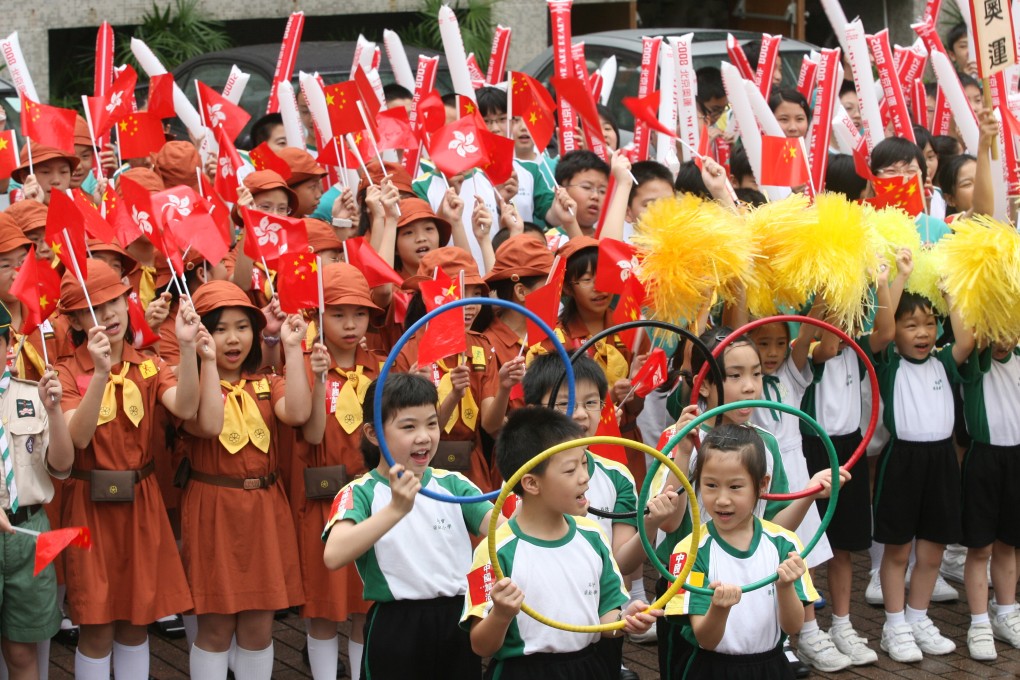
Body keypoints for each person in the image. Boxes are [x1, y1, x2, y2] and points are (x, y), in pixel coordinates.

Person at [57, 260, 201, 680]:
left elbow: (187, 408)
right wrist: (101, 373)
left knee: (137, 624)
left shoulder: (150, 365)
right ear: (77, 319)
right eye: (93, 308)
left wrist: (189, 349)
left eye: (113, 302)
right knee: (97, 627)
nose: (107, 315)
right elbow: (78, 438)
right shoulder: (67, 370)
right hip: (89, 507)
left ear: (127, 299)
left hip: (142, 503)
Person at [463, 406, 659, 680]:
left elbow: (607, 620)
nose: (584, 476)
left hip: (591, 667)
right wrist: (501, 615)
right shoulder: (493, 550)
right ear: (531, 483)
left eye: (583, 462)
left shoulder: (593, 536)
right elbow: (480, 644)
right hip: (523, 671)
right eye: (570, 470)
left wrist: (626, 622)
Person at [323, 373, 496, 679]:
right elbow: (334, 554)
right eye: (408, 426)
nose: (424, 436)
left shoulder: (453, 484)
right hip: (396, 624)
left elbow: (502, 533)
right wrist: (395, 510)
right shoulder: (359, 492)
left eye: (431, 423)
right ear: (373, 433)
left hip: (457, 620)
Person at [180, 281, 311, 680]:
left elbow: (300, 412)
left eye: (242, 326)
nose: (233, 338)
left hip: (266, 508)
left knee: (259, 626)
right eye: (219, 328)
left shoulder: (266, 381)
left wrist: (290, 346)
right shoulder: (187, 381)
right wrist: (202, 361)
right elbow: (207, 423)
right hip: (214, 508)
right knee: (216, 627)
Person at [866, 261, 975, 663]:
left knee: (932, 551)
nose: (922, 333)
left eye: (929, 324)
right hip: (904, 461)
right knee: (897, 551)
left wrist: (950, 295)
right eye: (912, 326)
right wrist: (896, 280)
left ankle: (917, 618)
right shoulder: (891, 364)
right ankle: (894, 626)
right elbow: (887, 329)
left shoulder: (944, 363)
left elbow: (965, 339)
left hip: (942, 460)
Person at [664, 424, 820, 679]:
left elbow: (793, 626)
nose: (722, 499)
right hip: (712, 668)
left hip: (772, 666)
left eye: (735, 487)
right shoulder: (691, 550)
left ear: (762, 485)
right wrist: (719, 608)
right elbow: (706, 638)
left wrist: (785, 587)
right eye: (711, 485)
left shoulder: (784, 543)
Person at [295, 263, 385, 680]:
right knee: (323, 606)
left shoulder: (381, 368)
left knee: (364, 606)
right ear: (317, 316)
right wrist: (315, 380)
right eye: (338, 314)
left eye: (360, 314)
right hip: (324, 502)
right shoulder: (305, 365)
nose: (351, 324)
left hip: (371, 500)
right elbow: (312, 434)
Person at [0, 299, 72, 679]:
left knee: (22, 652)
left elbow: (61, 465)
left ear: (7, 349)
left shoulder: (31, 396)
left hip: (28, 532)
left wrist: (56, 411)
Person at [959, 339, 1020, 660]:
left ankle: (1006, 611)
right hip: (983, 459)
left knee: (1009, 542)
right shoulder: (975, 359)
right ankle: (979, 623)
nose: (1004, 339)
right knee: (980, 546)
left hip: (1017, 460)